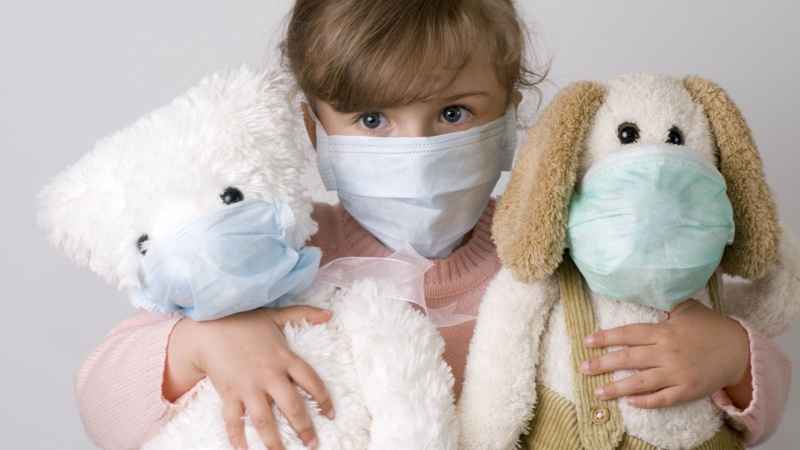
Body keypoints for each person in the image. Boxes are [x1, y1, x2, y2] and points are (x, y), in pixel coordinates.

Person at [75, 1, 792, 450]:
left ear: (512, 115)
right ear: (312, 127)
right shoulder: (270, 259)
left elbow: (734, 411)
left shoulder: (564, 254)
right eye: (372, 119)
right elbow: (103, 402)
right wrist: (203, 344)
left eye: (453, 114)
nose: (413, 149)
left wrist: (733, 356)